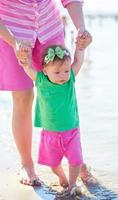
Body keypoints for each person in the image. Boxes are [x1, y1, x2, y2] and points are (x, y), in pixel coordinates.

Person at [0, 0, 93, 186]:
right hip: (10, 31)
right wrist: (13, 41)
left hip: (49, 28)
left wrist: (81, 27)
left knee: (61, 91)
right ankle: (26, 164)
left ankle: (75, 158)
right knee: (23, 97)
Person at [21, 44, 86, 197]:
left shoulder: (69, 79)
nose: (62, 75)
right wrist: (26, 61)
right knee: (53, 164)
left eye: (65, 70)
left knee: (76, 160)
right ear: (45, 71)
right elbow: (28, 69)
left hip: (72, 131)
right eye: (56, 72)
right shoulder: (41, 80)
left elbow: (79, 62)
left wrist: (80, 49)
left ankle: (72, 184)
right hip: (50, 133)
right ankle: (62, 177)